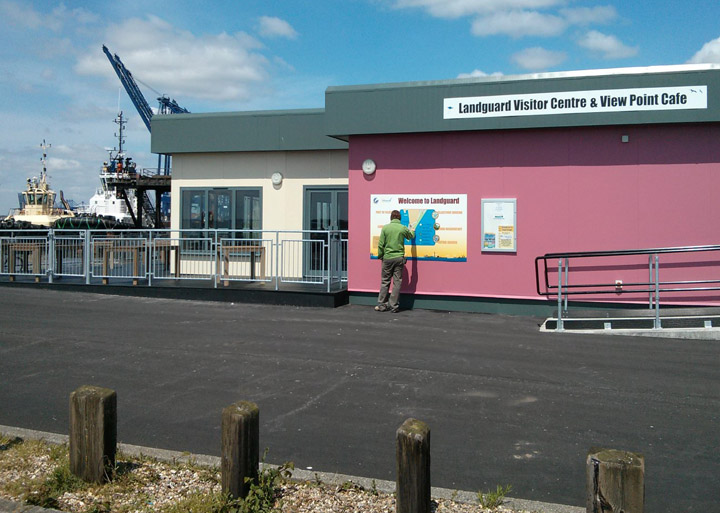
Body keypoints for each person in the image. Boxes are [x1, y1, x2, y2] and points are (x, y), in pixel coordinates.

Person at [376, 210, 415, 312]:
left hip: (387, 258)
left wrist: (381, 256)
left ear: (391, 217)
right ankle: (393, 306)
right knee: (397, 282)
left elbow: (380, 244)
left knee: (385, 281)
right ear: (399, 218)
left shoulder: (385, 228)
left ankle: (382, 305)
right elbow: (411, 236)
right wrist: (412, 230)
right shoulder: (402, 228)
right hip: (399, 258)